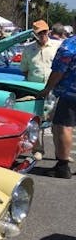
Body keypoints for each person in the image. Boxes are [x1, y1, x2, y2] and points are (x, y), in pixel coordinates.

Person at [39, 35, 76, 178]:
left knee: (63, 126)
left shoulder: (70, 45)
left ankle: (62, 167)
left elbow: (59, 71)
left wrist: (47, 89)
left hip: (70, 93)